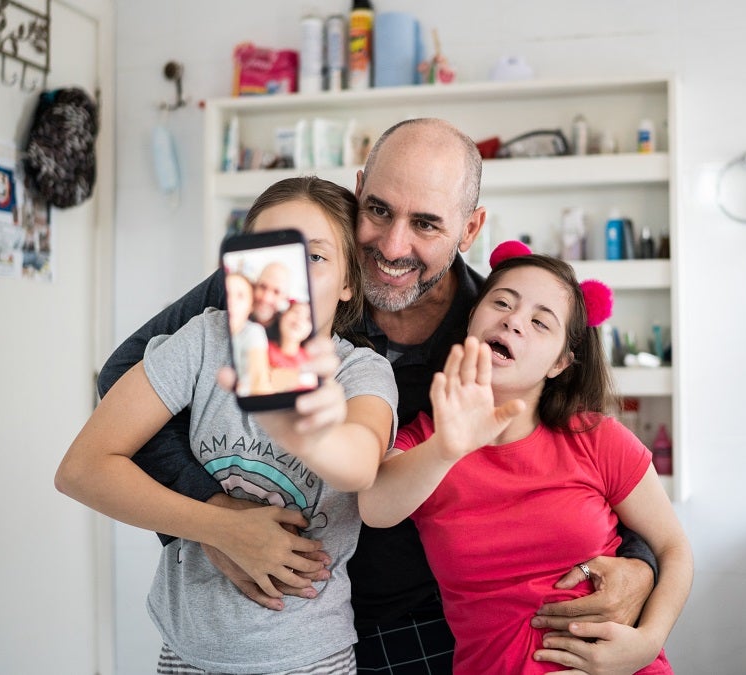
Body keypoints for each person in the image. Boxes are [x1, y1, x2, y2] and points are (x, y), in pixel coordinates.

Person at [99, 118, 659, 673]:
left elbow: (577, 455)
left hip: (434, 622)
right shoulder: (292, 275)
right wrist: (213, 516)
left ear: (470, 230)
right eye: (380, 210)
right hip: (259, 614)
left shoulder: (495, 327)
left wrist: (640, 562)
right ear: (359, 189)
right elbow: (123, 373)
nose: (393, 246)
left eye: (426, 224)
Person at [56, 176, 398, 674]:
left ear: (349, 282)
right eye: (270, 255)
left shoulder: (359, 372)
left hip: (308, 659)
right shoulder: (204, 341)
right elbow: (81, 470)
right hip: (185, 652)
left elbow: (359, 467)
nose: (289, 279)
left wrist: (309, 431)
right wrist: (221, 529)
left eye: (316, 257)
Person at [359, 242, 693, 674]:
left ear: (560, 363)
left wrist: (648, 642)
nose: (514, 321)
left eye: (540, 323)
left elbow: (674, 549)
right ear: (472, 319)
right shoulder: (425, 439)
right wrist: (447, 449)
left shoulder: (597, 438)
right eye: (501, 302)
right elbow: (374, 508)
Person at [225, 271, 270, 396]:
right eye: (227, 294)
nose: (231, 302)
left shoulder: (254, 332)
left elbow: (259, 379)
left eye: (240, 296)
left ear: (251, 305)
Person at [268, 301, 316, 392]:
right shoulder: (263, 349)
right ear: (283, 314)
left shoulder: (311, 360)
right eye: (296, 311)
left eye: (308, 318)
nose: (299, 319)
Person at [251, 260, 292, 327]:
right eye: (263, 287)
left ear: (285, 297)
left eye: (276, 292)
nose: (266, 298)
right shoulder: (237, 316)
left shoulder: (285, 329)